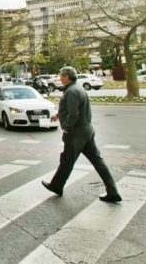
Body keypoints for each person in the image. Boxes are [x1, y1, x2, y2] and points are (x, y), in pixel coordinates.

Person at [42, 66, 122, 203]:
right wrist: (59, 115)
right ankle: (112, 191)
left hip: (76, 134)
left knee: (67, 161)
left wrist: (67, 127)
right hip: (86, 131)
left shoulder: (71, 92)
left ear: (67, 77)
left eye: (61, 76)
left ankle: (56, 185)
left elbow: (74, 114)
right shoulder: (77, 88)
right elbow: (73, 110)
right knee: (98, 162)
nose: (59, 78)